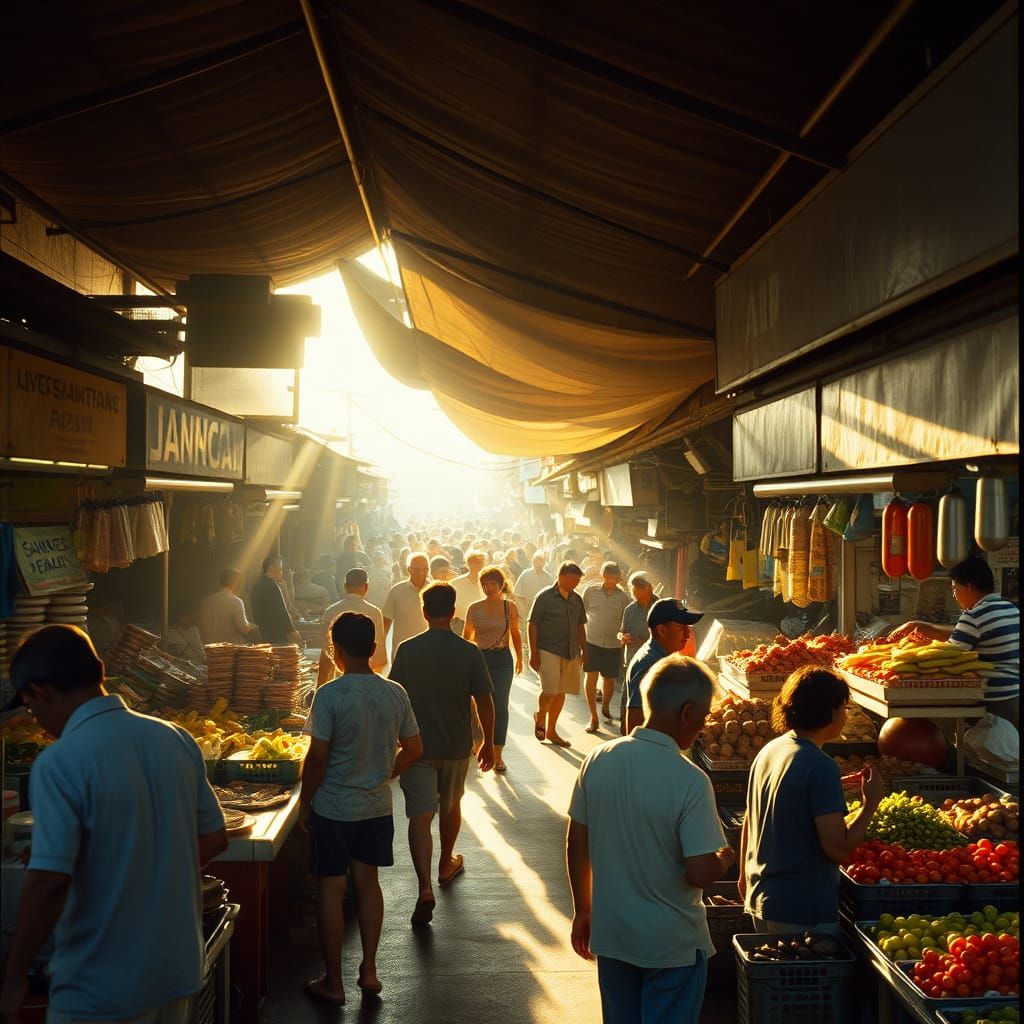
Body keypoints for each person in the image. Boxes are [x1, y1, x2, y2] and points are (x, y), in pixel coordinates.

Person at [0, 626, 227, 1023]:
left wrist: (15, 976)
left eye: (31, 707)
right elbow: (214, 836)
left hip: (101, 983)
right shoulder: (173, 738)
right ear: (101, 669)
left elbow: (49, 882)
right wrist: (147, 871)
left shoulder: (60, 761)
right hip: (177, 967)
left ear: (40, 693)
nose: (36, 720)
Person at [567, 655, 734, 1024]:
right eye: (704, 715)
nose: (705, 725)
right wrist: (724, 856)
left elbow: (576, 842)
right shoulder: (690, 780)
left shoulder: (597, 759)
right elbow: (699, 873)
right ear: (688, 712)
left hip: (613, 935)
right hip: (671, 944)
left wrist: (583, 909)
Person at [299, 613, 423, 1006]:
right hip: (375, 806)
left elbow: (317, 758)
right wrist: (388, 770)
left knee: (332, 889)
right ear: (373, 649)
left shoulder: (330, 695)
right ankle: (369, 972)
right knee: (368, 883)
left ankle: (333, 982)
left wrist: (306, 803)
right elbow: (415, 748)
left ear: (335, 650)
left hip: (334, 807)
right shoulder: (394, 692)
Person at [739, 666, 883, 935]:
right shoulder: (820, 766)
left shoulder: (772, 749)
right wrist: (870, 804)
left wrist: (742, 878)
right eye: (844, 708)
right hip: (801, 911)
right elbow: (838, 849)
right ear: (828, 712)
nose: (845, 716)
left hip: (760, 897)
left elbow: (753, 815)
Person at [388, 583, 496, 927]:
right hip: (455, 746)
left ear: (423, 612)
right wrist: (489, 742)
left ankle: (423, 887)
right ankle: (445, 863)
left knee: (420, 816)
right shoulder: (469, 651)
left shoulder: (407, 650)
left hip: (416, 746)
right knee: (451, 806)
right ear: (453, 612)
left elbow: (394, 697)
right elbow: (485, 700)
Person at [888, 556, 1019, 726]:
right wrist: (924, 628)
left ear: (969, 587)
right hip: (1014, 694)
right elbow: (969, 635)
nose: (954, 595)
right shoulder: (1010, 608)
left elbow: (949, 659)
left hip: (992, 700)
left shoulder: (974, 616)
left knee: (980, 749)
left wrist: (909, 656)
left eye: (955, 589)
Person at [463, 566, 523, 774]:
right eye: (485, 584)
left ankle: (498, 754)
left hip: (502, 659)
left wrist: (521, 658)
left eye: (492, 584)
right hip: (479, 659)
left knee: (500, 705)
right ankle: (478, 743)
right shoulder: (474, 608)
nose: (488, 588)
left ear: (500, 585)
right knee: (477, 703)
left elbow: (515, 633)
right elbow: (467, 637)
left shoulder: (509, 607)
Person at [528, 562, 587, 748]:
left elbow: (580, 625)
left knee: (561, 691)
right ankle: (541, 716)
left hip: (571, 651)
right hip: (548, 649)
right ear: (561, 577)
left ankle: (552, 730)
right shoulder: (545, 597)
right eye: (573, 579)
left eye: (578, 580)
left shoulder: (577, 599)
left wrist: (585, 649)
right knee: (550, 689)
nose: (576, 583)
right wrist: (533, 652)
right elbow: (533, 624)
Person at [624, 599, 702, 735]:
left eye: (688, 628)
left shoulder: (661, 656)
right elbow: (634, 723)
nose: (687, 634)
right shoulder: (650, 664)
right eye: (681, 627)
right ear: (661, 630)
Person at [318, 568, 388, 685]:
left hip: (340, 683)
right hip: (367, 683)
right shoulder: (374, 612)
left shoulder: (331, 611)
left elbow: (326, 656)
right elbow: (380, 658)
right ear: (366, 587)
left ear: (345, 586)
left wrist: (319, 687)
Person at [582, 563, 630, 733]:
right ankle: (593, 717)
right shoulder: (590, 591)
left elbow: (627, 620)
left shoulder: (623, 597)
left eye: (614, 578)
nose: (610, 581)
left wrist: (625, 636)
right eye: (607, 577)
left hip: (612, 644)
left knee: (608, 678)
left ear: (618, 579)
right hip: (591, 641)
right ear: (602, 575)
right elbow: (581, 614)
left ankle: (606, 706)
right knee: (591, 676)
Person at [618, 571, 656, 721]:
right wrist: (623, 637)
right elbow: (621, 632)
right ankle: (624, 720)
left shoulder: (658, 607)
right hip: (633, 657)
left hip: (653, 659)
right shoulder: (630, 610)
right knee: (629, 691)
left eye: (639, 589)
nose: (635, 592)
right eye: (633, 589)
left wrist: (644, 640)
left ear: (649, 588)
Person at [382, 551, 431, 657]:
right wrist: (380, 650)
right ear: (409, 569)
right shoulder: (396, 591)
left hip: (428, 651)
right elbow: (385, 622)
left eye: (425, 569)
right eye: (417, 569)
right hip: (402, 652)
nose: (422, 573)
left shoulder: (435, 590)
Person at [514, 553, 553, 677]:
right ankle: (526, 661)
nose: (538, 564)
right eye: (536, 561)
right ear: (533, 561)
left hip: (543, 613)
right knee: (526, 635)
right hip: (526, 610)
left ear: (544, 562)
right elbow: (517, 592)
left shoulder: (548, 577)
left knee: (540, 635)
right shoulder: (526, 574)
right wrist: (522, 604)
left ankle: (540, 660)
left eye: (541, 561)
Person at [251, 554, 301, 646]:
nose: (282, 572)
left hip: (263, 631)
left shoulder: (258, 585)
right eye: (280, 569)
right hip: (276, 633)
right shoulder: (272, 586)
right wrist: (291, 629)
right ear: (271, 568)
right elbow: (281, 610)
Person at [197, 568, 256, 645]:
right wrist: (251, 626)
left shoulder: (205, 602)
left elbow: (201, 628)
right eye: (239, 582)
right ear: (235, 582)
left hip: (210, 650)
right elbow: (243, 629)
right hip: (230, 651)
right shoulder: (236, 601)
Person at [451, 550, 486, 636]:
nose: (481, 566)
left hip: (482, 624)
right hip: (460, 623)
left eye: (482, 563)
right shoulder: (456, 583)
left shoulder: (488, 583)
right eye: (477, 563)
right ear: (469, 564)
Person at [163, 600, 206, 666]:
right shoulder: (171, 634)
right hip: (184, 669)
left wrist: (205, 661)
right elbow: (169, 656)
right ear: (181, 616)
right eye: (187, 616)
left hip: (200, 668)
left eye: (192, 615)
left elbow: (200, 650)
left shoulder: (194, 629)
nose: (191, 618)